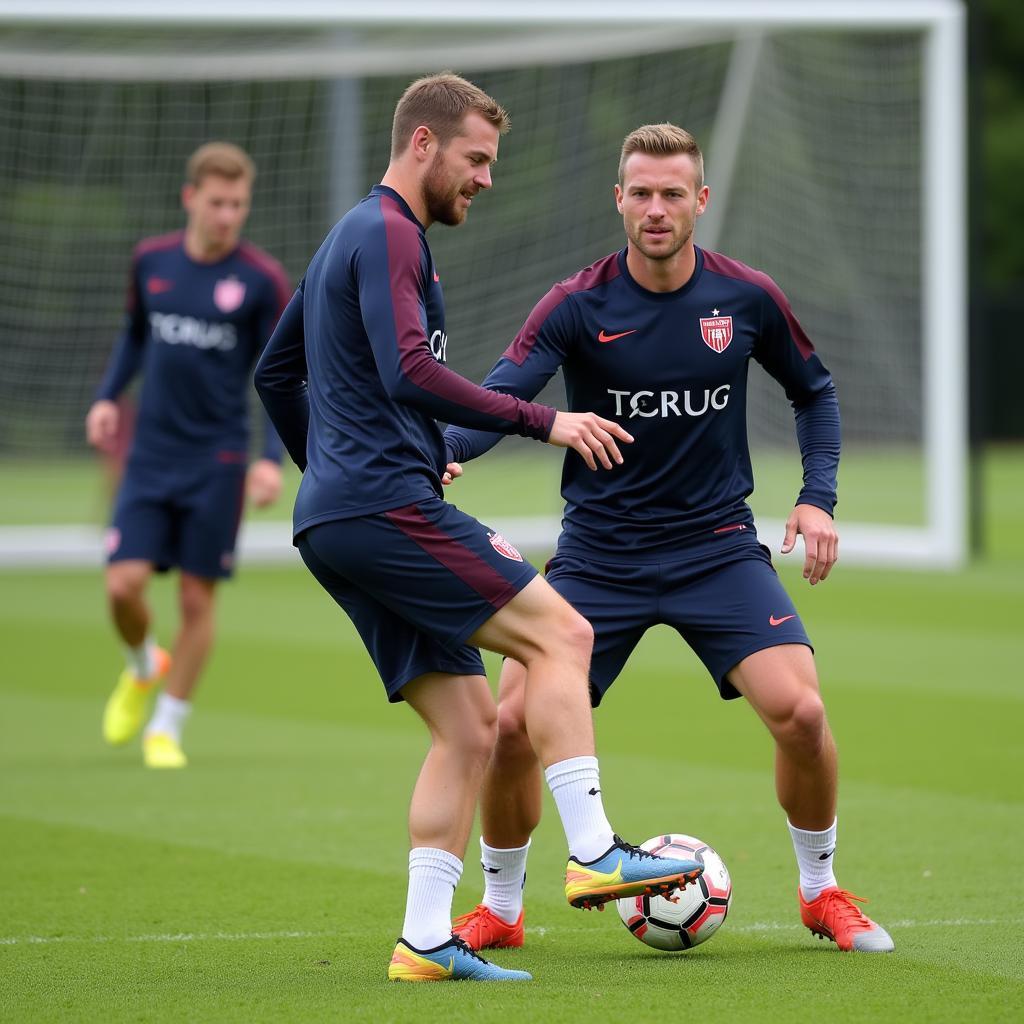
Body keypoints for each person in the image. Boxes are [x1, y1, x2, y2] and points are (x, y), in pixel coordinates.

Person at [254, 76, 708, 984]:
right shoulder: (388, 232)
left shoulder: (349, 234)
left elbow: (276, 374)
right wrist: (542, 421)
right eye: (476, 159)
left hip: (341, 515)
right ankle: (594, 851)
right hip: (384, 506)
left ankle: (425, 942)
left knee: (465, 728)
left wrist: (331, 480)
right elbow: (410, 369)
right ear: (422, 144)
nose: (486, 179)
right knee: (563, 631)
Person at [445, 123, 894, 955]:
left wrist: (818, 499)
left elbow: (815, 392)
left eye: (672, 194)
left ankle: (820, 890)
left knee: (801, 713)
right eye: (641, 193)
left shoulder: (746, 297)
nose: (656, 209)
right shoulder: (575, 303)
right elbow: (500, 398)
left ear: (700, 201)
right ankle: (501, 908)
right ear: (619, 198)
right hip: (598, 555)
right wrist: (440, 454)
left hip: (716, 548)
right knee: (509, 727)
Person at [86, 142, 290, 770]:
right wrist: (106, 397)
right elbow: (134, 336)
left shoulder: (261, 281)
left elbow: (278, 375)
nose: (228, 215)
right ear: (191, 199)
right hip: (150, 455)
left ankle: (166, 728)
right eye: (217, 202)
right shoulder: (151, 262)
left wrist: (269, 459)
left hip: (218, 459)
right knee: (123, 585)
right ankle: (145, 665)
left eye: (238, 204)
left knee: (198, 602)